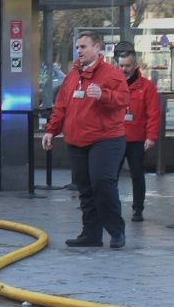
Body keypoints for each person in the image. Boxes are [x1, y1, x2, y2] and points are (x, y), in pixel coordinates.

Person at [43, 32, 131, 248]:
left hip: (105, 139)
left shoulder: (112, 74)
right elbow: (61, 106)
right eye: (77, 47)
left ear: (97, 48)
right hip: (77, 140)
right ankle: (91, 234)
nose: (79, 51)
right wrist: (51, 130)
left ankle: (116, 231)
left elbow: (124, 99)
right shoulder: (73, 76)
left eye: (83, 47)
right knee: (84, 188)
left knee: (102, 183)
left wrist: (103, 95)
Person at [118, 48, 163, 223]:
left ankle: (138, 208)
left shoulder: (147, 87)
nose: (124, 69)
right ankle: (109, 208)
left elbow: (153, 114)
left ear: (135, 65)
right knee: (110, 176)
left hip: (136, 139)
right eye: (121, 65)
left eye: (127, 65)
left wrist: (151, 137)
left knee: (137, 174)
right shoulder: (113, 84)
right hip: (115, 138)